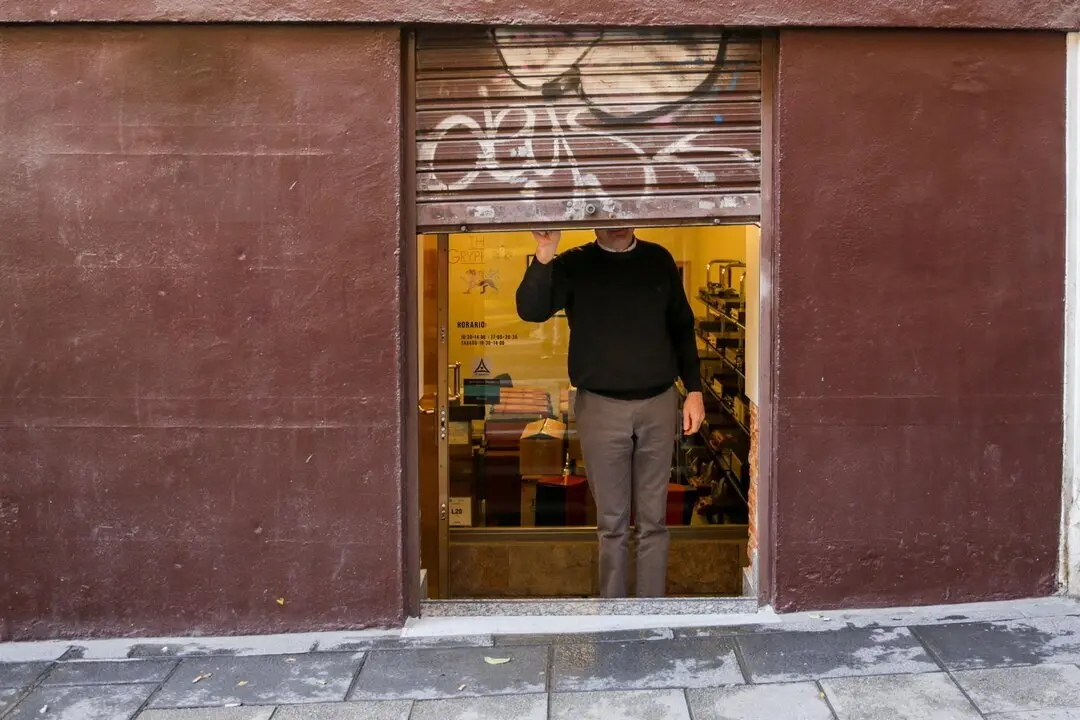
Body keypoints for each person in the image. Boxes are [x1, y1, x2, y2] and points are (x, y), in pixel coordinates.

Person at [516, 227, 705, 598]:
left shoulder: (658, 259)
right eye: (607, 212)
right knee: (612, 523)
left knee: (654, 521)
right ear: (594, 219)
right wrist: (544, 253)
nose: (616, 220)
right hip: (600, 406)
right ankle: (614, 611)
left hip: (658, 403)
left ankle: (651, 610)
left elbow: (682, 326)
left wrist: (694, 390)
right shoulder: (574, 263)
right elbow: (531, 310)